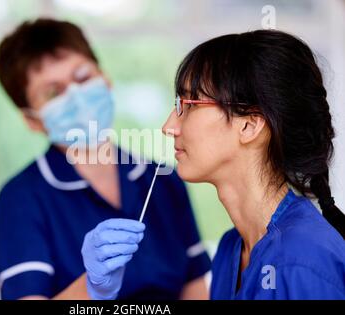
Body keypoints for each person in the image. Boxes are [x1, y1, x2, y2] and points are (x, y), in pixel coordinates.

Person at [85, 29, 345, 299]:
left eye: (189, 104)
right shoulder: (230, 249)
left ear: (249, 125)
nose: (169, 126)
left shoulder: (301, 263)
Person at [0, 18, 211, 300]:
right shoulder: (20, 200)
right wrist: (92, 287)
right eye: (53, 92)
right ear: (31, 120)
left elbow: (195, 292)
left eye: (82, 77)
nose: (76, 95)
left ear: (105, 79)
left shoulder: (163, 180)